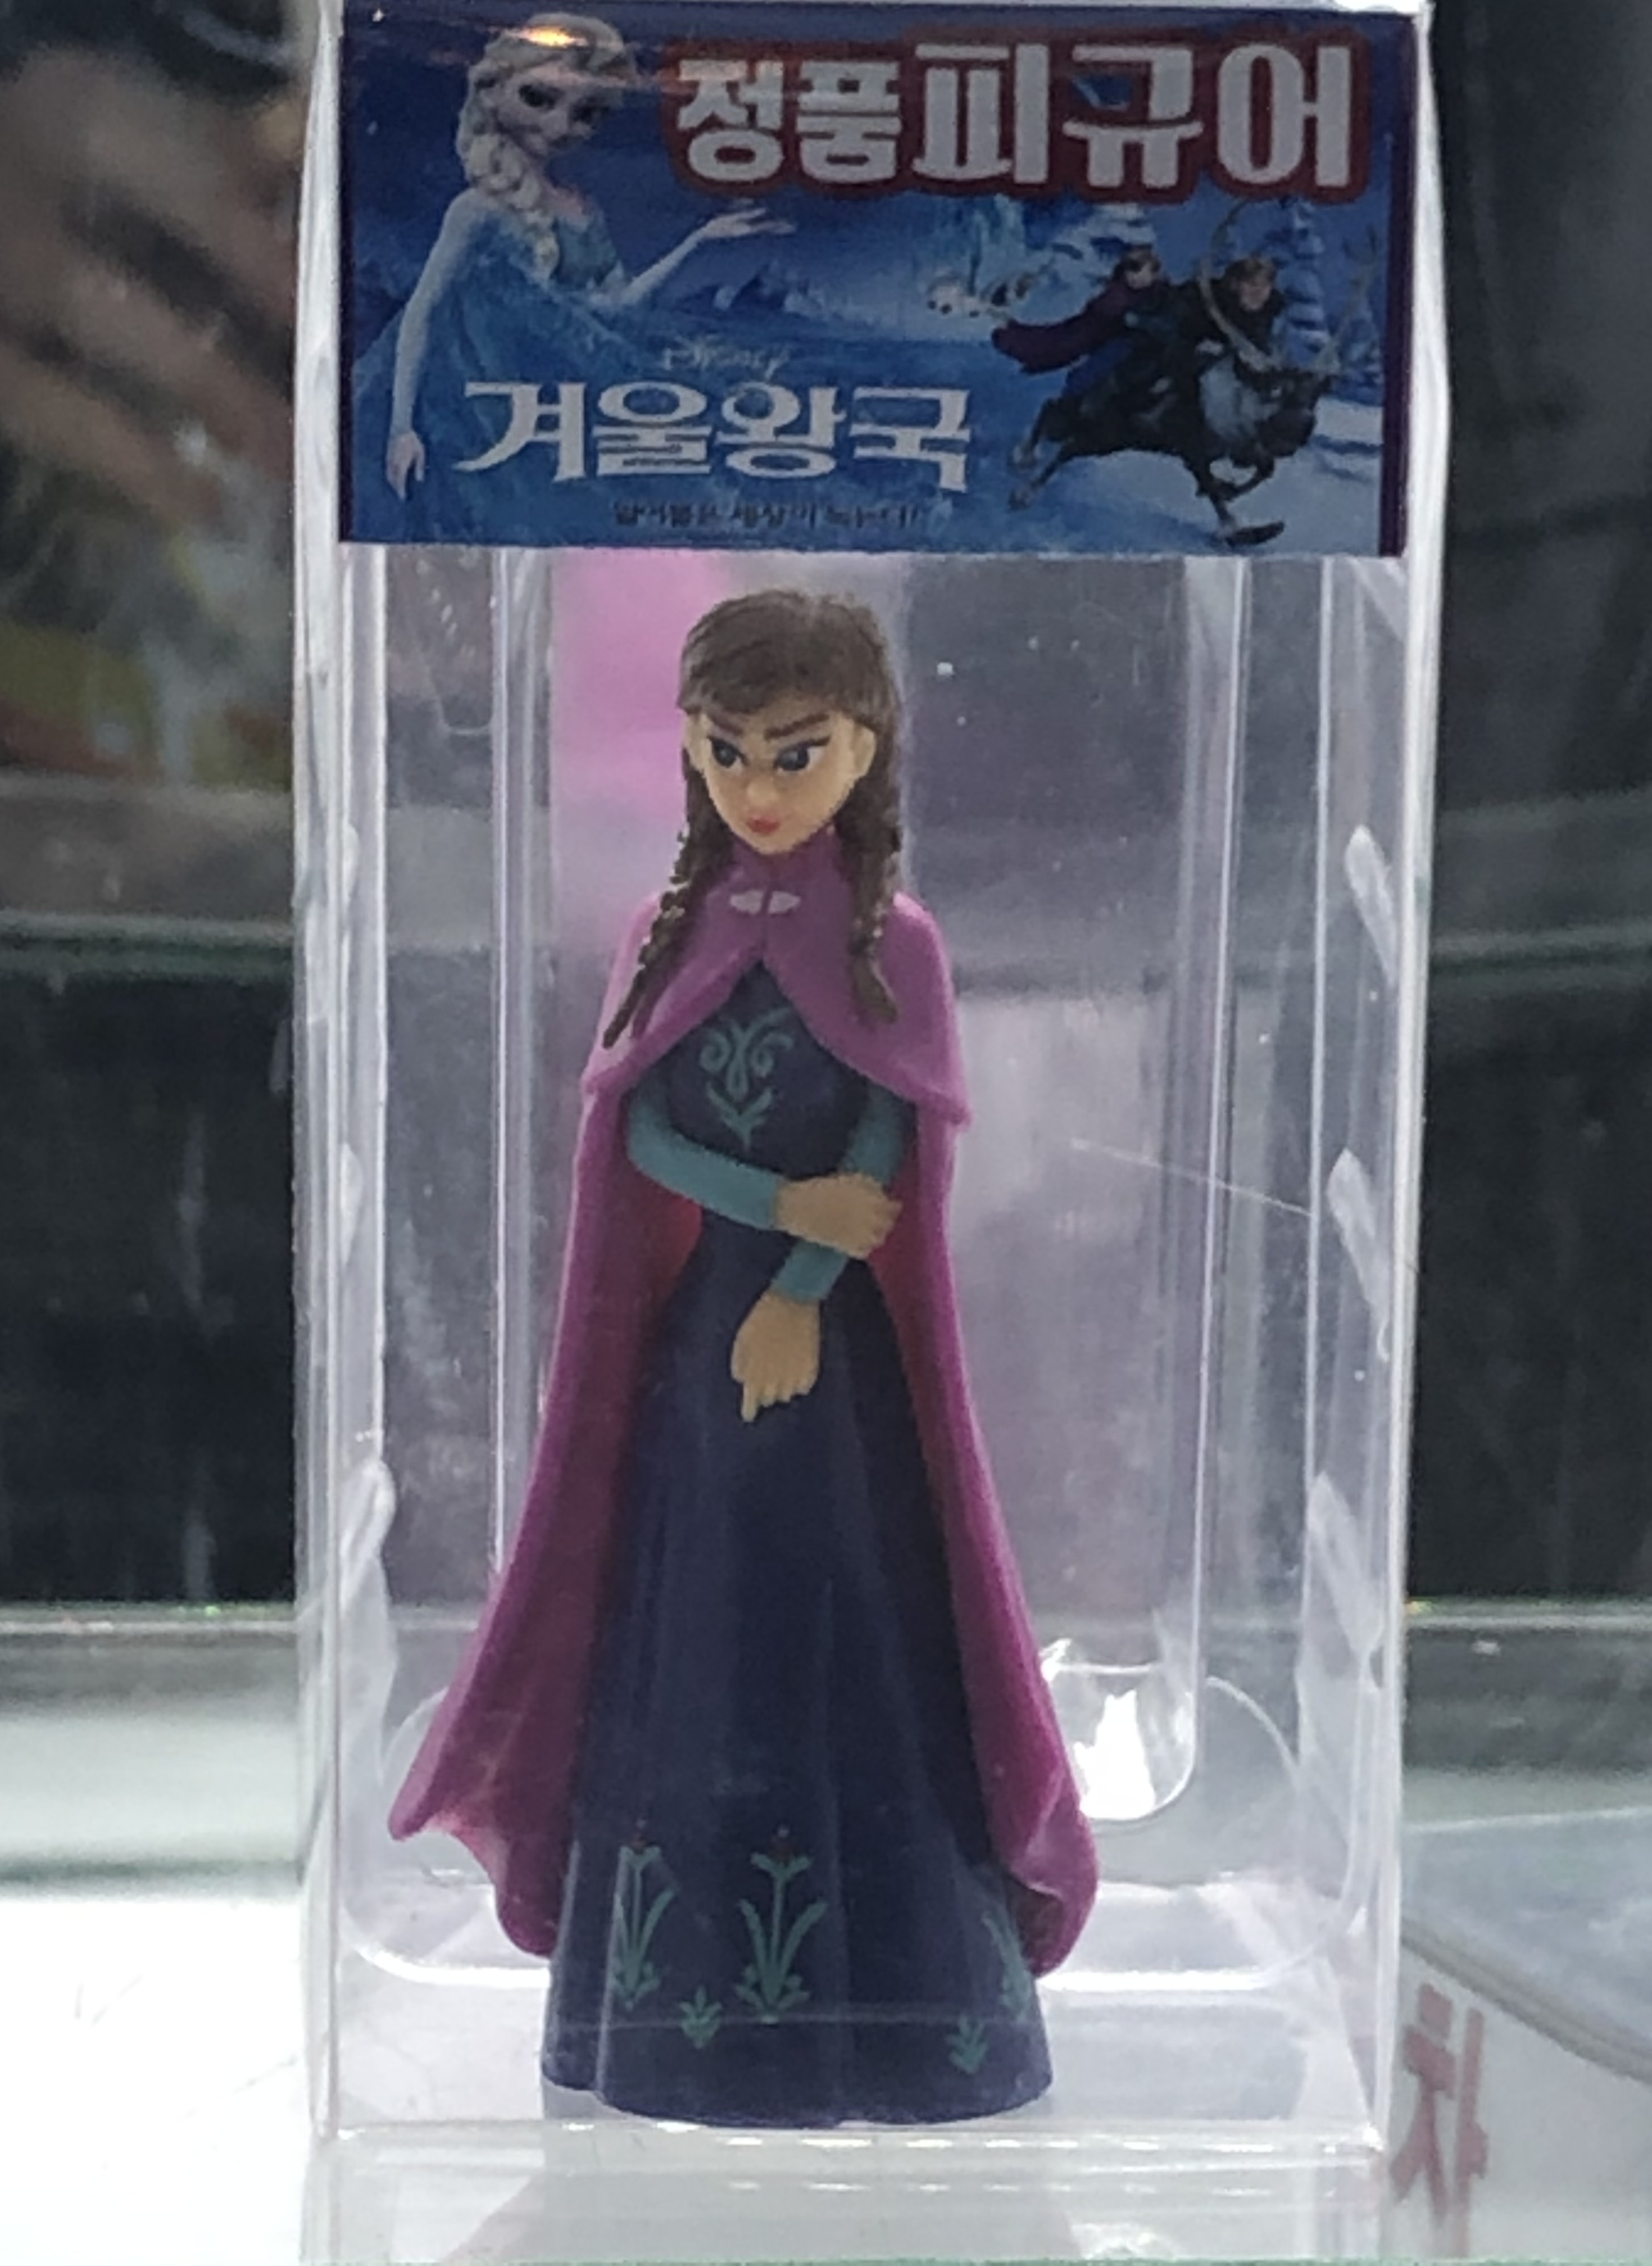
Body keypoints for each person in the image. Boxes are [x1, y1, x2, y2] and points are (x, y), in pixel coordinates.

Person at [391, 590, 1097, 2127]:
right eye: (726, 752)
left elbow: (888, 1139)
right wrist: (777, 1222)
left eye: (796, 751)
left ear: (868, 746)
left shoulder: (895, 943)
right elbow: (640, 1130)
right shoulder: (669, 935)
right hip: (709, 1357)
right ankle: (685, 2024)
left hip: (841, 1373)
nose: (759, 788)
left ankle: (903, 2020)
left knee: (862, 1631)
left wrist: (811, 1274)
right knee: (700, 1635)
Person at [383, 13, 782, 500]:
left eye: (586, 113)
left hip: (563, 408)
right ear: (492, 91)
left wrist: (699, 242)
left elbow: (620, 305)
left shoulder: (583, 209)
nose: (559, 126)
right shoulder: (477, 209)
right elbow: (423, 310)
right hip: (489, 410)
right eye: (538, 98)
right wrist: (402, 427)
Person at [995, 246, 1174, 469]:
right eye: (1130, 269)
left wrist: (1143, 324)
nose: (1134, 276)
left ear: (1154, 271)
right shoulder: (1115, 295)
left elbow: (1170, 323)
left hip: (1150, 349)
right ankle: (1060, 422)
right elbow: (1089, 326)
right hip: (1109, 344)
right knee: (1086, 375)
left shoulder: (1163, 295)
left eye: (1139, 269)